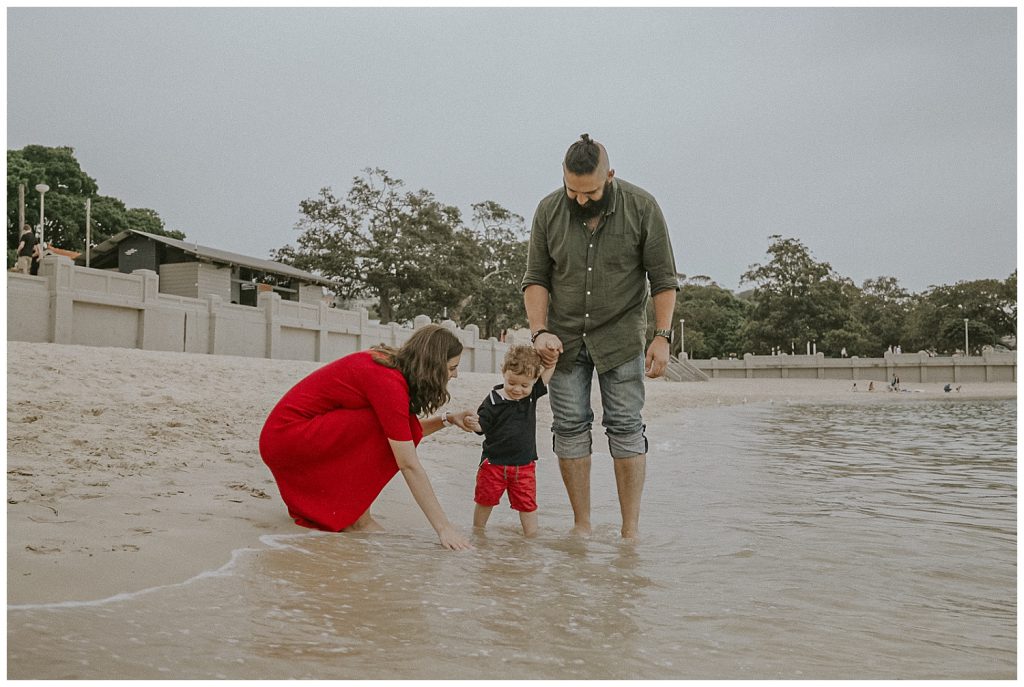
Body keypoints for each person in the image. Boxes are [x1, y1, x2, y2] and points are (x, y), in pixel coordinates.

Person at [522, 133, 678, 539]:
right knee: (569, 426)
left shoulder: (642, 207)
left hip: (622, 336)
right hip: (564, 339)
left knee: (626, 426)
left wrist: (661, 337)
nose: (580, 200)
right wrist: (539, 331)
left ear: (609, 175)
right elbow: (536, 278)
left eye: (589, 191)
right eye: (572, 190)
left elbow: (663, 279)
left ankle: (630, 532)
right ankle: (582, 526)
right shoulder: (548, 211)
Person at [259, 324, 477, 550]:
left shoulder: (390, 368)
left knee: (397, 426)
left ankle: (350, 514)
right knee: (383, 427)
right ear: (433, 366)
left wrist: (448, 419)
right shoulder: (387, 381)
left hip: (287, 437)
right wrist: (444, 528)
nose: (455, 375)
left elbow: (405, 432)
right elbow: (408, 463)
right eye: (452, 368)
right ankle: (357, 520)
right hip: (286, 437)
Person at [467, 345, 556, 537]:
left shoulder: (531, 394)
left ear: (533, 381)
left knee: (528, 505)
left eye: (524, 385)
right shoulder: (492, 400)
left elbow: (548, 372)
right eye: (512, 382)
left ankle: (531, 538)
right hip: (493, 464)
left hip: (524, 465)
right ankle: (478, 533)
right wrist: (475, 425)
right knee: (485, 500)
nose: (517, 389)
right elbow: (483, 425)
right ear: (504, 373)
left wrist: (553, 357)